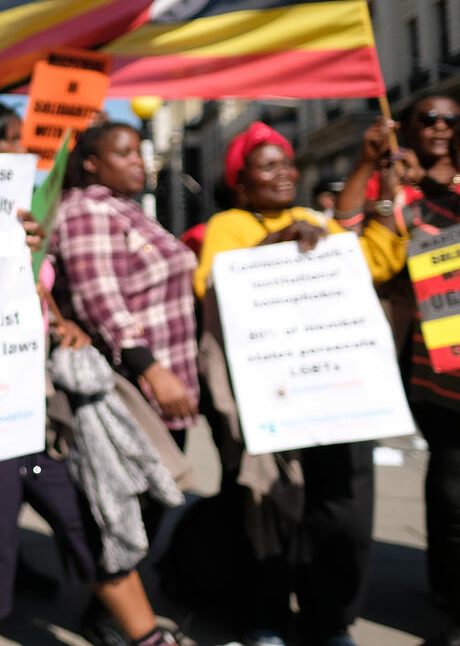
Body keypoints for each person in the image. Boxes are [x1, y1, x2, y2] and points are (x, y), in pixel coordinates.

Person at [0, 102, 189, 646]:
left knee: (89, 516)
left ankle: (145, 635)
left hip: (35, 407)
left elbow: (39, 291)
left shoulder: (28, 212)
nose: (21, 150)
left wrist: (63, 323)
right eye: (8, 139)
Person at [192, 121, 407, 646]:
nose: (285, 173)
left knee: (342, 515)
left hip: (335, 395)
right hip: (272, 401)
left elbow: (377, 260)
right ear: (241, 183)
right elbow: (210, 284)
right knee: (270, 511)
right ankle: (265, 617)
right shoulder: (229, 224)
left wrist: (373, 175)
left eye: (287, 163)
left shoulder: (314, 220)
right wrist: (274, 243)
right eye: (268, 166)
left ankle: (329, 620)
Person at [338, 94, 460, 646]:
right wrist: (378, 175)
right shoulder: (396, 191)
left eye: (450, 120)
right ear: (408, 127)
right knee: (452, 477)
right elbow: (349, 237)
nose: (439, 127)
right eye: (428, 119)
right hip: (434, 361)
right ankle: (450, 591)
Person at [51, 122, 199, 445]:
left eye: (138, 152)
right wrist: (152, 371)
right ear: (92, 163)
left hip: (160, 378)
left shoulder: (121, 207)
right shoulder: (88, 210)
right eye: (123, 153)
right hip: (137, 386)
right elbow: (100, 300)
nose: (137, 161)